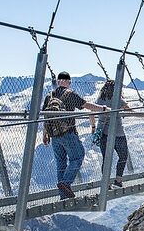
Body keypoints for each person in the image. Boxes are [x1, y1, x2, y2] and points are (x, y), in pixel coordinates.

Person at [42, 71, 108, 199]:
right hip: (69, 133)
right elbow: (87, 105)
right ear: (68, 81)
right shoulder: (70, 94)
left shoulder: (49, 96)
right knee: (78, 157)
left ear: (58, 81)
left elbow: (45, 115)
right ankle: (66, 183)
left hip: (54, 135)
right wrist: (104, 109)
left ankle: (63, 194)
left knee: (60, 163)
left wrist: (45, 134)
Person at [89, 79, 133, 188]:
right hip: (118, 134)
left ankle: (106, 183)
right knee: (123, 156)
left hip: (103, 134)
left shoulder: (100, 100)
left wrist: (93, 127)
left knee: (106, 158)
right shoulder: (118, 100)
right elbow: (130, 111)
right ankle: (118, 180)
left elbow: (91, 114)